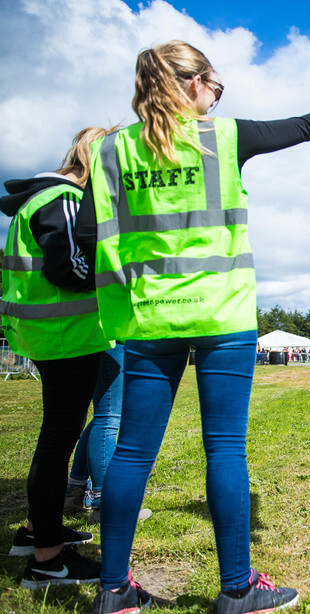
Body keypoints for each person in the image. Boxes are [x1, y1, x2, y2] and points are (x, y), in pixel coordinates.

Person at [75, 40, 310, 614]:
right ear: (192, 83)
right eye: (215, 85)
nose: (217, 96)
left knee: (130, 454)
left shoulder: (110, 152)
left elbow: (89, 238)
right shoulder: (222, 138)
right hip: (222, 314)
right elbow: (301, 126)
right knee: (225, 449)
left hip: (149, 318)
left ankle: (113, 593)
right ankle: (236, 588)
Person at [1, 127, 116, 588]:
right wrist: (117, 276)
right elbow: (69, 268)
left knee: (58, 439)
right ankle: (48, 561)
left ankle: (36, 531)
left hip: (50, 334)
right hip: (66, 336)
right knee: (57, 441)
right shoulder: (65, 198)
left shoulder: (40, 196)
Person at [64, 342, 153, 525]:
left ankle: (76, 490)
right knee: (108, 416)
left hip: (99, 338)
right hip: (111, 338)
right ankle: (105, 503)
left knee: (105, 414)